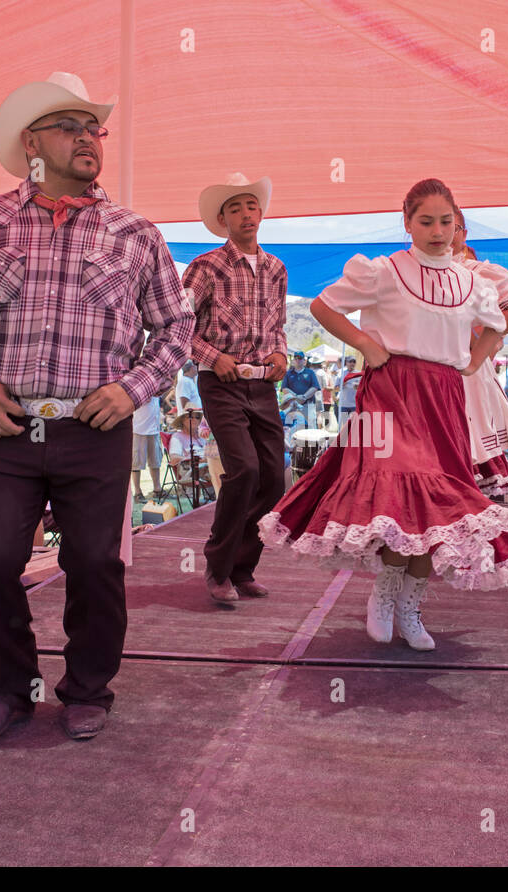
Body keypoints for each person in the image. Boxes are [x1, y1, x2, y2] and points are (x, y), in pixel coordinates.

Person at [0, 71, 194, 743]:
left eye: (94, 128)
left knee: (95, 564)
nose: (88, 138)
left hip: (96, 427)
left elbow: (177, 327)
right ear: (31, 142)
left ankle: (88, 687)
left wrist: (129, 389)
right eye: (70, 126)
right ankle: (12, 684)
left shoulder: (135, 232)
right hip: (7, 426)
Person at [260, 178, 508, 652]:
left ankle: (411, 604)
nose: (437, 230)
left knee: (439, 506)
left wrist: (472, 361)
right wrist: (367, 344)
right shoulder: (384, 271)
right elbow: (325, 306)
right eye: (425, 220)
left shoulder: (472, 281)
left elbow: (500, 325)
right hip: (389, 394)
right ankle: (384, 595)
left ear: (456, 223)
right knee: (394, 492)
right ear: (407, 222)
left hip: (444, 400)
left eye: (445, 221)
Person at [182, 173, 289, 605]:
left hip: (263, 386)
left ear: (261, 214)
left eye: (251, 206)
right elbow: (178, 326)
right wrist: (213, 358)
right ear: (222, 219)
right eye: (235, 208)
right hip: (220, 383)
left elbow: (278, 327)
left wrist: (281, 355)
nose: (246, 213)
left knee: (273, 479)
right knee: (243, 470)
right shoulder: (206, 266)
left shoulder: (277, 269)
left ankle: (243, 568)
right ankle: (218, 567)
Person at [452, 204, 508, 495]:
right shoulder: (416, 271)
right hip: (431, 375)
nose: (442, 232)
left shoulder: (479, 273)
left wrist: (476, 342)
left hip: (468, 376)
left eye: (451, 225)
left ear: (463, 233)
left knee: (468, 461)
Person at [130, 394, 163, 503]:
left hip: (154, 428)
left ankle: (157, 490)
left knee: (155, 461)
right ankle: (138, 492)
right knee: (136, 463)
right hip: (139, 428)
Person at [281, 351, 320, 430]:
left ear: (304, 361)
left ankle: (311, 443)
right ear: (293, 360)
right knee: (292, 430)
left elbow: (315, 387)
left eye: (300, 358)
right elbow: (284, 388)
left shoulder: (310, 372)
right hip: (292, 406)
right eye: (295, 358)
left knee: (310, 429)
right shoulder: (288, 374)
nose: (297, 360)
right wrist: (296, 398)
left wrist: (304, 397)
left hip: (308, 406)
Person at [337, 355, 361, 431]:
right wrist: (342, 384)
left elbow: (364, 388)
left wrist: (359, 387)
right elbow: (335, 388)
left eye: (354, 361)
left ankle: (353, 441)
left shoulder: (359, 374)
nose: (352, 363)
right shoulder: (341, 373)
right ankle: (346, 441)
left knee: (354, 426)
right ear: (346, 363)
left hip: (355, 404)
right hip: (344, 404)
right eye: (350, 361)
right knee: (345, 426)